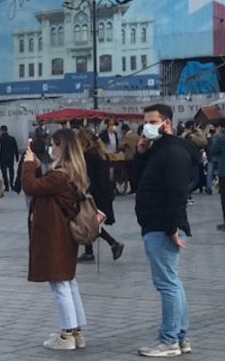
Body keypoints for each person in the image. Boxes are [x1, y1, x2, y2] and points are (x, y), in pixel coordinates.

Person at [133, 104, 192, 357]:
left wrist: (172, 227)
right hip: (155, 224)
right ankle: (179, 336)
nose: (148, 126)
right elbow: (140, 182)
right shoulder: (157, 150)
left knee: (167, 283)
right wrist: (141, 153)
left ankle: (169, 340)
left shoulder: (174, 152)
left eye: (153, 121)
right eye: (146, 121)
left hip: (162, 225)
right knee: (172, 282)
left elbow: (177, 192)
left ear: (167, 123)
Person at [21, 128, 89, 351]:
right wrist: (38, 166)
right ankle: (76, 330)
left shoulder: (60, 175)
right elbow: (42, 188)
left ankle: (66, 334)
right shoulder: (70, 172)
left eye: (53, 144)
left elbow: (31, 187)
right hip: (63, 232)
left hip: (54, 234)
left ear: (62, 147)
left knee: (59, 282)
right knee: (68, 280)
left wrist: (29, 164)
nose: (51, 148)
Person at [76, 128, 125, 262]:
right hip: (103, 193)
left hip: (94, 194)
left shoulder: (88, 156)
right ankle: (91, 250)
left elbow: (88, 178)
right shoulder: (100, 154)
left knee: (87, 222)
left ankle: (112, 244)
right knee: (88, 222)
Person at [119, 124, 140, 193]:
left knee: (130, 174)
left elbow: (121, 146)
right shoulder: (136, 135)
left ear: (124, 130)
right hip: (136, 157)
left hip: (129, 157)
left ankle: (133, 188)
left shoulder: (126, 137)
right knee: (135, 173)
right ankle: (136, 188)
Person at [0, 125, 19, 192]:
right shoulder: (12, 138)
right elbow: (16, 148)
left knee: (4, 172)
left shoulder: (0, 139)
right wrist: (17, 157)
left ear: (1, 130)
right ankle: (12, 184)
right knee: (11, 171)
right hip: (10, 157)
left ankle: (6, 186)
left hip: (2, 157)